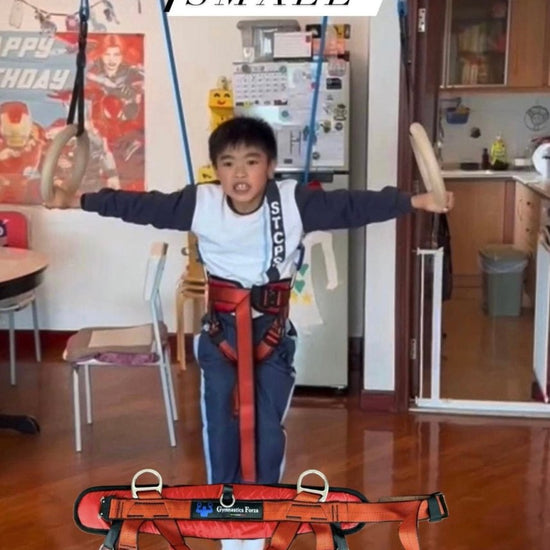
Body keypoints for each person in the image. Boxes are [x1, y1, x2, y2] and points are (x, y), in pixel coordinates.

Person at [46, 116, 453, 550]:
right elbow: (140, 206)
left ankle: (260, 528)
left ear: (270, 166)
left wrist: (416, 200)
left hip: (271, 336)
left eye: (251, 162)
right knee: (222, 427)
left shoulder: (294, 202)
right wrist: (77, 200)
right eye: (228, 163)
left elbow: (354, 206)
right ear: (216, 170)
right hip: (220, 334)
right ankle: (226, 528)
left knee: (265, 431)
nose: (239, 174)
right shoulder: (201, 203)